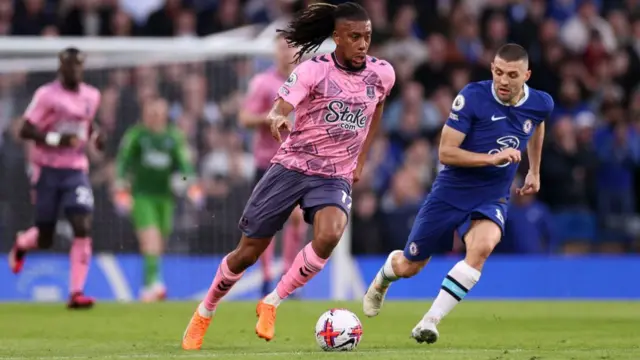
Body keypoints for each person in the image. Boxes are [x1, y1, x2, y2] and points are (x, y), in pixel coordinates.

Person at [181, 2, 395, 350]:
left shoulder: (382, 73)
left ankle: (272, 300)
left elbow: (378, 107)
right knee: (248, 252)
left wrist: (361, 158)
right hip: (291, 167)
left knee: (329, 235)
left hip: (333, 175)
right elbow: (279, 108)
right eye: (354, 37)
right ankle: (204, 312)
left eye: (367, 36)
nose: (362, 44)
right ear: (336, 38)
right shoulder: (313, 71)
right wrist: (279, 117)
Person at [362, 43, 554, 343]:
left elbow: (537, 126)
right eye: (498, 72)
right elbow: (446, 152)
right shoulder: (472, 97)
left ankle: (430, 321)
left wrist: (534, 170)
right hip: (451, 191)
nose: (503, 81)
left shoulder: (541, 103)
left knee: (483, 247)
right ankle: (384, 276)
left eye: (512, 75)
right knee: (410, 265)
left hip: (492, 195)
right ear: (492, 69)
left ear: (526, 75)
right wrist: (491, 158)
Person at [7, 47, 103, 309]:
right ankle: (23, 242)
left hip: (75, 170)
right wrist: (55, 139)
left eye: (78, 66)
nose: (75, 70)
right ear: (61, 67)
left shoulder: (92, 95)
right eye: (70, 66)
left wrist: (96, 137)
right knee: (46, 236)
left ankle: (76, 293)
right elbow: (25, 129)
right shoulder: (46, 95)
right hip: (47, 170)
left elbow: (88, 124)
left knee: (82, 224)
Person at [239, 33, 308, 297]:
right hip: (267, 162)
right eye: (281, 48)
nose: (286, 52)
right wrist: (270, 118)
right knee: (266, 221)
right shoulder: (262, 83)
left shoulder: (306, 81)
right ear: (275, 52)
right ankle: (267, 276)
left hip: (298, 161)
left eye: (290, 47)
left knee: (297, 218)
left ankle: (287, 275)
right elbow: (244, 117)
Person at [114, 96, 202, 302]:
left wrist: (190, 183)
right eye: (151, 113)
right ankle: (154, 285)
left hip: (165, 197)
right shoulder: (137, 135)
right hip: (142, 196)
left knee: (158, 243)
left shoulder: (173, 137)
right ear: (145, 115)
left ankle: (148, 286)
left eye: (159, 114)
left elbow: (184, 164)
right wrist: (120, 184)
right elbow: (123, 161)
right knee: (150, 239)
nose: (155, 118)